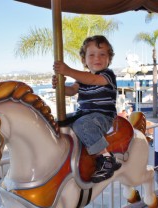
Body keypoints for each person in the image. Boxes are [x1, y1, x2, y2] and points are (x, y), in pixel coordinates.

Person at [52, 35, 122, 183]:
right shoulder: (81, 79)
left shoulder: (107, 75)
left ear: (109, 59)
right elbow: (71, 91)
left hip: (103, 117)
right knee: (59, 123)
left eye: (103, 54)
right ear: (84, 60)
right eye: (91, 55)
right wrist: (60, 86)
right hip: (83, 114)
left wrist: (68, 71)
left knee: (81, 125)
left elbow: (92, 80)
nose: (97, 58)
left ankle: (107, 159)